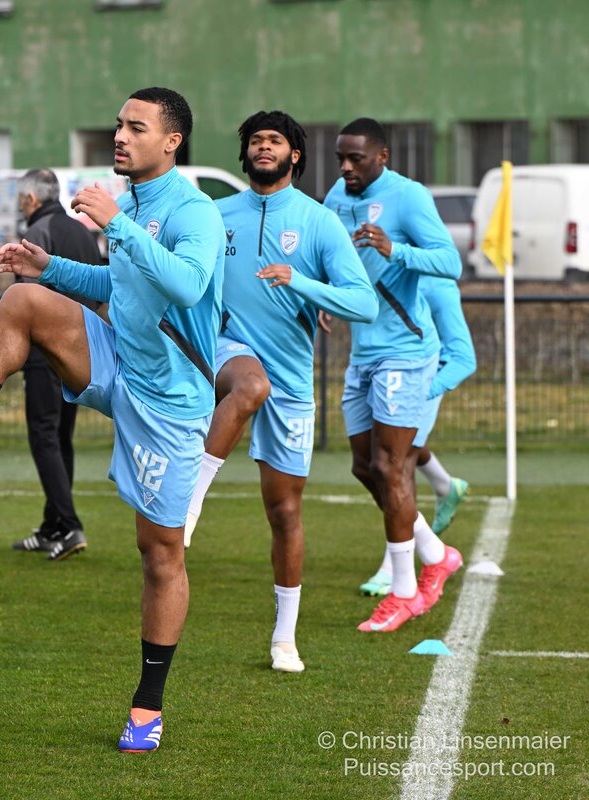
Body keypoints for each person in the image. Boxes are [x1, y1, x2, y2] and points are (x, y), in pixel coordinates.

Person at [0, 87, 225, 753]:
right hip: (119, 358)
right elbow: (115, 288)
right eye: (119, 124)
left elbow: (186, 286)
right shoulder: (133, 207)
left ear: (172, 142)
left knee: (160, 554)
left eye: (136, 127)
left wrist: (116, 226)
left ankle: (147, 707)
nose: (120, 136)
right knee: (23, 299)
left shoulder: (194, 212)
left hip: (169, 403)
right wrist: (49, 267)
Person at [181, 111, 376, 672]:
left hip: (291, 380)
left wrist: (306, 285)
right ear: (244, 154)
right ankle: (190, 500)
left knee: (285, 511)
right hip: (227, 350)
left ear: (295, 155)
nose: (263, 147)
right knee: (249, 384)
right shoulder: (216, 214)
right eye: (255, 141)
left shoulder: (317, 222)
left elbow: (363, 302)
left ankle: (284, 639)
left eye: (275, 141)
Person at [323, 117, 464, 633]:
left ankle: (404, 593)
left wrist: (393, 250)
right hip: (363, 352)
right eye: (341, 158)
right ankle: (437, 554)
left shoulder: (409, 197)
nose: (346, 167)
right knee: (365, 468)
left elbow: (450, 262)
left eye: (356, 158)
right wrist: (324, 295)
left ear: (381, 156)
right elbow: (328, 255)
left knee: (392, 465)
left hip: (405, 352)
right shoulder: (336, 197)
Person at [358, 273, 475, 596]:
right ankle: (444, 485)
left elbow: (464, 358)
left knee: (398, 464)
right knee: (377, 459)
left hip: (424, 379)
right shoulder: (385, 274)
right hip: (388, 374)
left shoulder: (439, 285)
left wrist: (422, 392)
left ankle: (394, 565)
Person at [8, 168, 102, 561]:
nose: (19, 204)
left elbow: (25, 302)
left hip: (46, 354)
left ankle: (69, 524)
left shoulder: (37, 233)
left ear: (31, 198)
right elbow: (100, 287)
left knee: (44, 436)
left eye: (20, 197)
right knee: (61, 436)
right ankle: (53, 526)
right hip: (83, 352)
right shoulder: (82, 231)